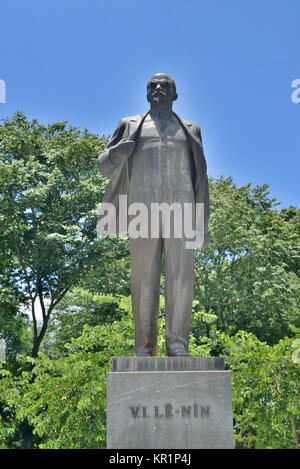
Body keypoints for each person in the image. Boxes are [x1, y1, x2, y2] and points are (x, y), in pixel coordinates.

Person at [97, 73, 210, 356]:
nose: (158, 88)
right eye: (152, 86)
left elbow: (201, 177)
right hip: (141, 208)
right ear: (147, 94)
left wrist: (202, 222)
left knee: (181, 277)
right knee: (143, 278)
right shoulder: (130, 125)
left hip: (182, 208)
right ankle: (144, 347)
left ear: (176, 94)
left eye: (165, 86)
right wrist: (116, 153)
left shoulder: (191, 129)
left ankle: (178, 344)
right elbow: (104, 167)